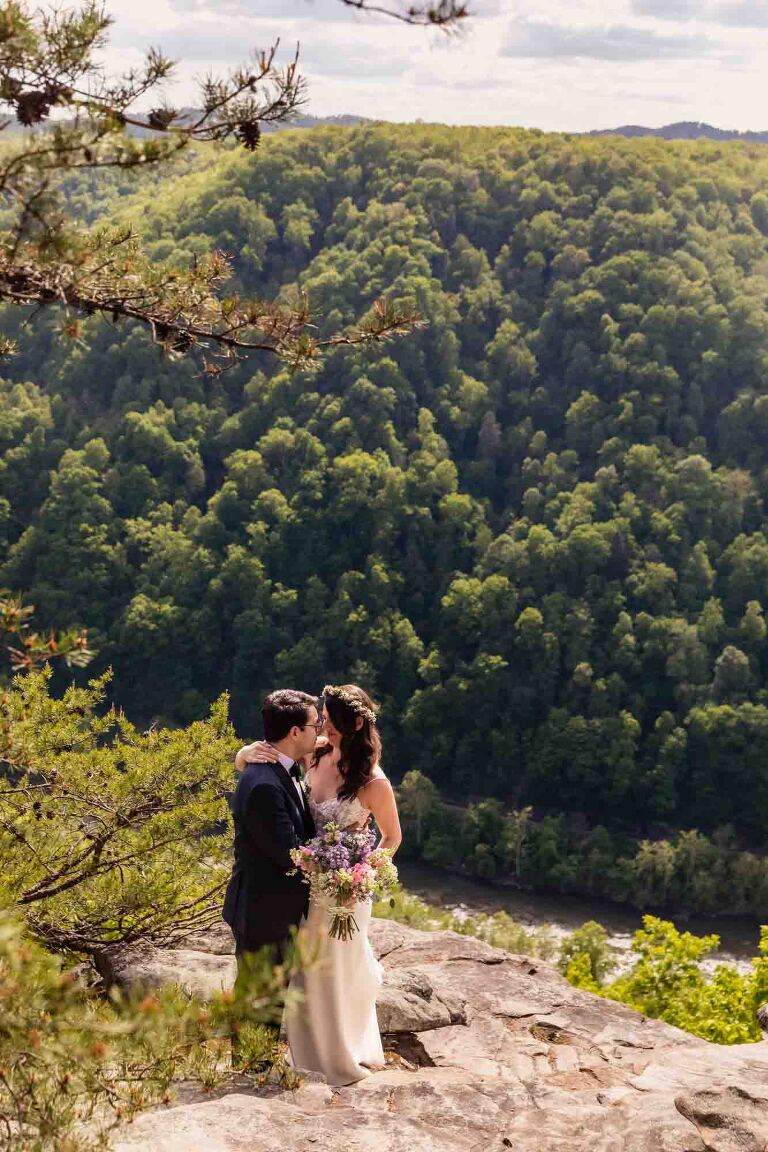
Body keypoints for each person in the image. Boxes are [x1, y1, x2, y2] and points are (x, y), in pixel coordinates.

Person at [236, 683, 402, 1086]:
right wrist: (242, 755)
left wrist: (362, 875)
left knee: (338, 972)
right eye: (320, 716)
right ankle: (303, 1052)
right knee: (306, 972)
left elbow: (392, 838)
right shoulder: (318, 749)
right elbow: (274, 757)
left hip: (345, 891)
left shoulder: (373, 782)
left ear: (356, 723)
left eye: (328, 717)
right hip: (306, 885)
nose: (322, 721)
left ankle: (339, 1054)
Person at [223, 688, 321, 1068]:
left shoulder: (278, 765)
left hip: (270, 906)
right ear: (295, 732)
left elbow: (341, 737)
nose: (321, 731)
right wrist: (342, 864)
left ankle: (254, 1063)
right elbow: (290, 853)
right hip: (263, 908)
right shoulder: (264, 784)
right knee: (260, 991)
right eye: (316, 724)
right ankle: (252, 1067)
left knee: (268, 988)